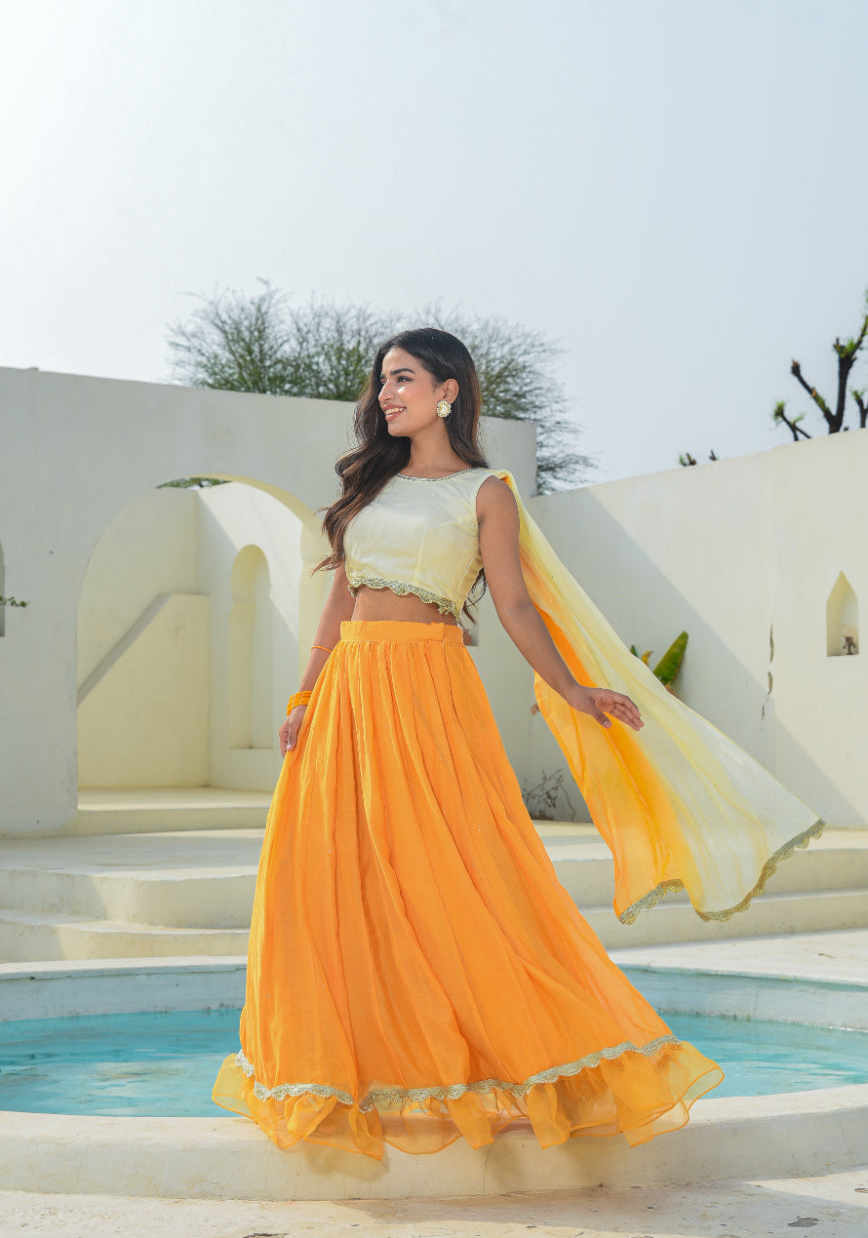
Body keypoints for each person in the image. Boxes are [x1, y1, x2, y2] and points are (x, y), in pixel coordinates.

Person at [212, 328, 822, 1160]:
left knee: (455, 875)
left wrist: (572, 688)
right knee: (331, 874)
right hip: (349, 693)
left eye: (403, 379)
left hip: (429, 692)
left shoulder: (485, 491)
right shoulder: (370, 486)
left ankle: (525, 1056)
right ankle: (358, 1067)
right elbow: (339, 601)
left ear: (448, 390)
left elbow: (516, 606)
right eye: (382, 382)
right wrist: (304, 693)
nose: (385, 395)